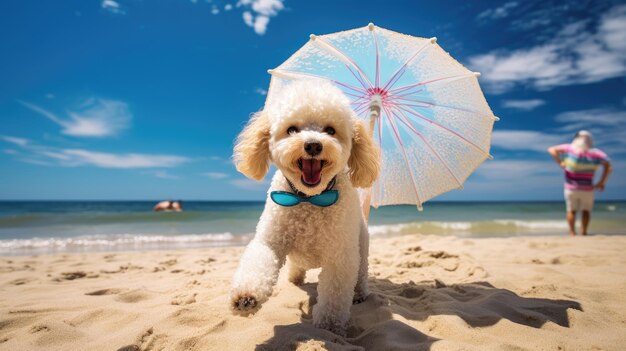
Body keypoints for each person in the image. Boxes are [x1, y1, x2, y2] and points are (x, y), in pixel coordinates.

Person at [548, 130, 611, 236]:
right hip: (587, 188)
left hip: (570, 187)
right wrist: (602, 182)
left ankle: (572, 232)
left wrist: (560, 162)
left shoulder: (569, 148)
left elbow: (551, 149)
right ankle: (584, 232)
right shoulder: (595, 153)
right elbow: (608, 166)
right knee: (586, 211)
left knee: (571, 210)